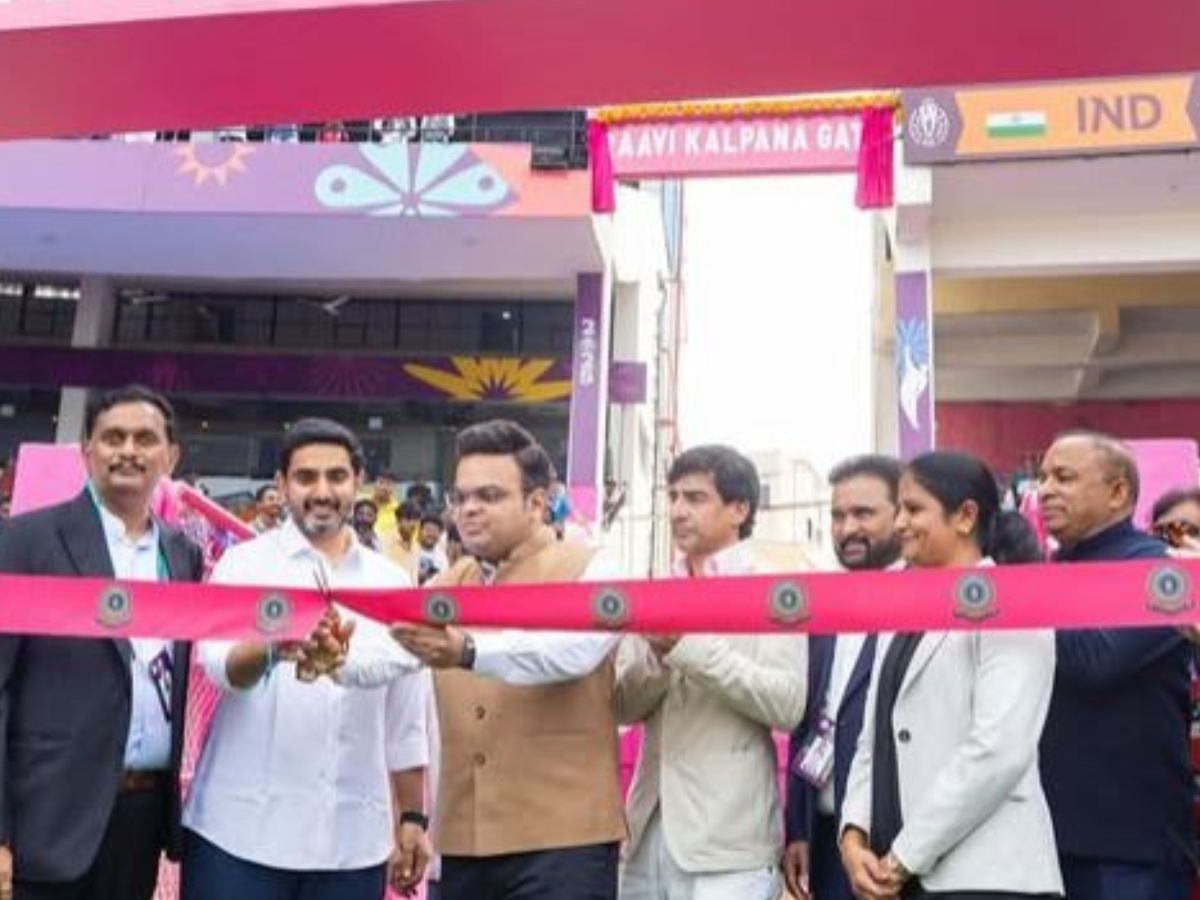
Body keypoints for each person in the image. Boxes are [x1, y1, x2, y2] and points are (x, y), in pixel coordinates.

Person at [181, 418, 432, 900]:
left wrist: (414, 818)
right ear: (282, 484)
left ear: (358, 481)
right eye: (305, 477)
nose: (322, 492)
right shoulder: (244, 564)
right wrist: (275, 644)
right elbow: (219, 668)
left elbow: (406, 718)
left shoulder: (391, 582)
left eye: (336, 476)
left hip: (351, 842)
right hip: (238, 836)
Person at [392, 419, 625, 900]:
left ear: (537, 503)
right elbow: (387, 653)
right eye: (461, 497)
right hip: (465, 842)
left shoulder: (593, 567)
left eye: (489, 496)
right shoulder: (443, 585)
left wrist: (468, 651)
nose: (469, 509)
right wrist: (313, 647)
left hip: (565, 844)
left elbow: (570, 652)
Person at [0, 385, 205, 900]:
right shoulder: (25, 541)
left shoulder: (182, 555)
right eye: (113, 437)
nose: (128, 451)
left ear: (171, 456)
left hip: (141, 816)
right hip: (45, 819)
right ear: (86, 450)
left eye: (145, 439)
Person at [840, 450, 1061, 900]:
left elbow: (997, 750)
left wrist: (903, 857)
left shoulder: (1012, 603)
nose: (900, 523)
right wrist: (853, 836)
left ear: (965, 517)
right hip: (895, 874)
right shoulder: (900, 609)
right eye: (898, 509)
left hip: (985, 877)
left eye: (914, 509)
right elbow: (871, 740)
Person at [616, 445, 807, 900]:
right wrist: (658, 656)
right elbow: (621, 706)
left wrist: (687, 647)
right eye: (673, 497)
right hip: (646, 830)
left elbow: (787, 704)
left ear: (739, 509)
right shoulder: (655, 589)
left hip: (728, 842)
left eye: (695, 498)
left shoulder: (772, 591)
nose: (678, 510)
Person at [1036, 432, 1194, 900]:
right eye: (1043, 478)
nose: (1045, 490)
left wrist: (1022, 604)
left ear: (1118, 492)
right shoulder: (1050, 570)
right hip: (1045, 842)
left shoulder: (1158, 570)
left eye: (1064, 477)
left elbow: (1095, 663)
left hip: (1128, 850)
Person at [784, 454, 903, 900]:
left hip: (894, 842)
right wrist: (798, 827)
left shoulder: (923, 601)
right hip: (825, 834)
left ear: (901, 514)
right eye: (838, 515)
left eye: (863, 513)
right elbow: (807, 719)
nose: (847, 528)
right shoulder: (822, 603)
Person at [416, 513, 449, 584]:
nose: (430, 534)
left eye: (434, 531)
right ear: (420, 531)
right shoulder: (410, 550)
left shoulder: (442, 557)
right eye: (428, 530)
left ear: (440, 534)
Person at [371, 473, 401, 543]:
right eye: (381, 482)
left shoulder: (398, 509)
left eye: (388, 484)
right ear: (375, 484)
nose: (384, 487)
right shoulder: (362, 502)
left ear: (393, 488)